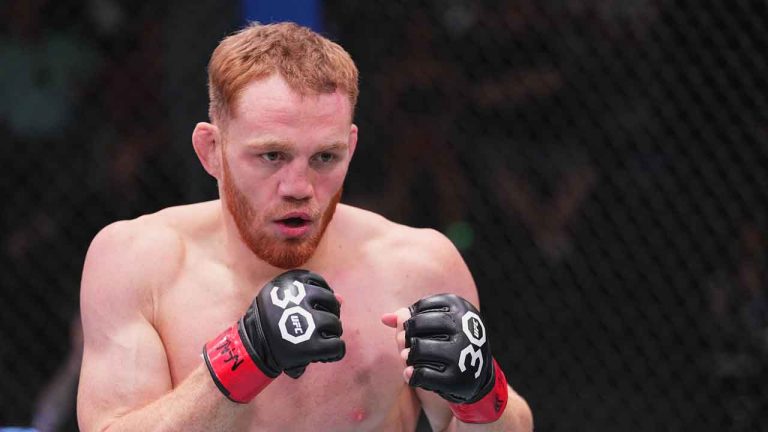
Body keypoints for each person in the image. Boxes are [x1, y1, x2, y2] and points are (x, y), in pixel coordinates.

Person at [76, 22, 533, 431]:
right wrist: (243, 357)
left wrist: (482, 396)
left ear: (350, 149)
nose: (299, 187)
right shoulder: (137, 261)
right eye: (272, 155)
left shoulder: (416, 267)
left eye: (324, 157)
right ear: (211, 150)